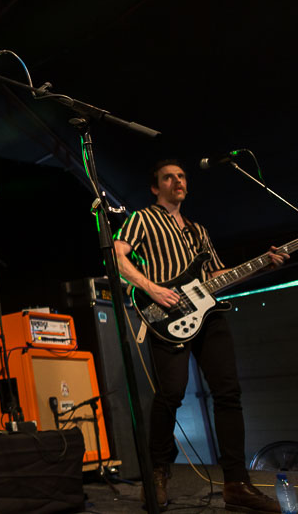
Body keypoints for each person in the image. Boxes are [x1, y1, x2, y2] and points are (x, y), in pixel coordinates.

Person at [113, 159, 289, 512]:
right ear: (155, 187)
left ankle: (236, 484)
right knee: (171, 393)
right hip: (166, 313)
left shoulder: (198, 231)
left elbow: (216, 275)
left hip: (209, 316)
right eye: (168, 177)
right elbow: (117, 256)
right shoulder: (142, 219)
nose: (177, 181)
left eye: (181, 176)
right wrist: (152, 288)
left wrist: (262, 264)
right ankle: (157, 474)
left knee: (228, 393)